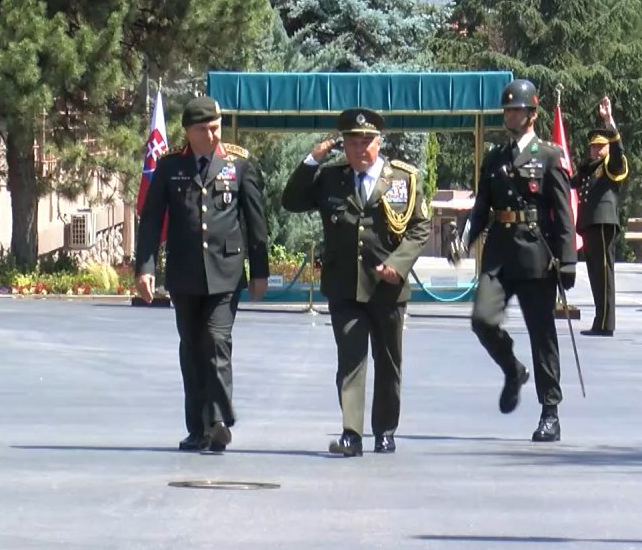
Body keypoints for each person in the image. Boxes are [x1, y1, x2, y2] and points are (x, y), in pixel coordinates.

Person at [280, 108, 431, 457]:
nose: (359, 150)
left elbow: (420, 226)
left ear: (379, 142)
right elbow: (291, 200)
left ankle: (385, 430)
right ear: (343, 146)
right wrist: (311, 161)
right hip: (344, 284)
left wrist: (399, 264)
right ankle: (351, 433)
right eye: (351, 142)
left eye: (366, 142)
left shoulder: (403, 179)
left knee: (389, 360)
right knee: (350, 359)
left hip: (388, 287)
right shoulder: (331, 178)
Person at [135, 96, 269, 454]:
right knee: (192, 350)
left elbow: (256, 223)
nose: (212, 135)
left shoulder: (238, 165)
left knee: (216, 341)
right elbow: (150, 222)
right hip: (184, 273)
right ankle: (198, 428)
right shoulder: (168, 168)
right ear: (188, 132)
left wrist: (260, 272)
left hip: (225, 273)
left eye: (216, 127)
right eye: (203, 129)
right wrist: (145, 269)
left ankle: (219, 421)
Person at [458, 78, 577, 443]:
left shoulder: (549, 156)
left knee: (543, 336)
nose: (511, 114)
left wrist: (568, 261)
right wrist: (463, 240)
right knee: (482, 320)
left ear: (532, 114)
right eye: (507, 109)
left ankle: (550, 412)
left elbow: (562, 212)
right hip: (499, 255)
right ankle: (512, 369)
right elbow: (481, 209)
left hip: (536, 256)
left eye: (517, 109)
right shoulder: (495, 157)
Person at [572, 96, 628, 337]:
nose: (595, 150)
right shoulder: (589, 168)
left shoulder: (611, 165)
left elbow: (618, 150)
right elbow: (572, 182)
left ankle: (606, 322)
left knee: (604, 273)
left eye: (600, 146)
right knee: (595, 274)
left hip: (604, 222)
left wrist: (609, 120)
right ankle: (600, 319)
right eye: (593, 146)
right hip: (590, 225)